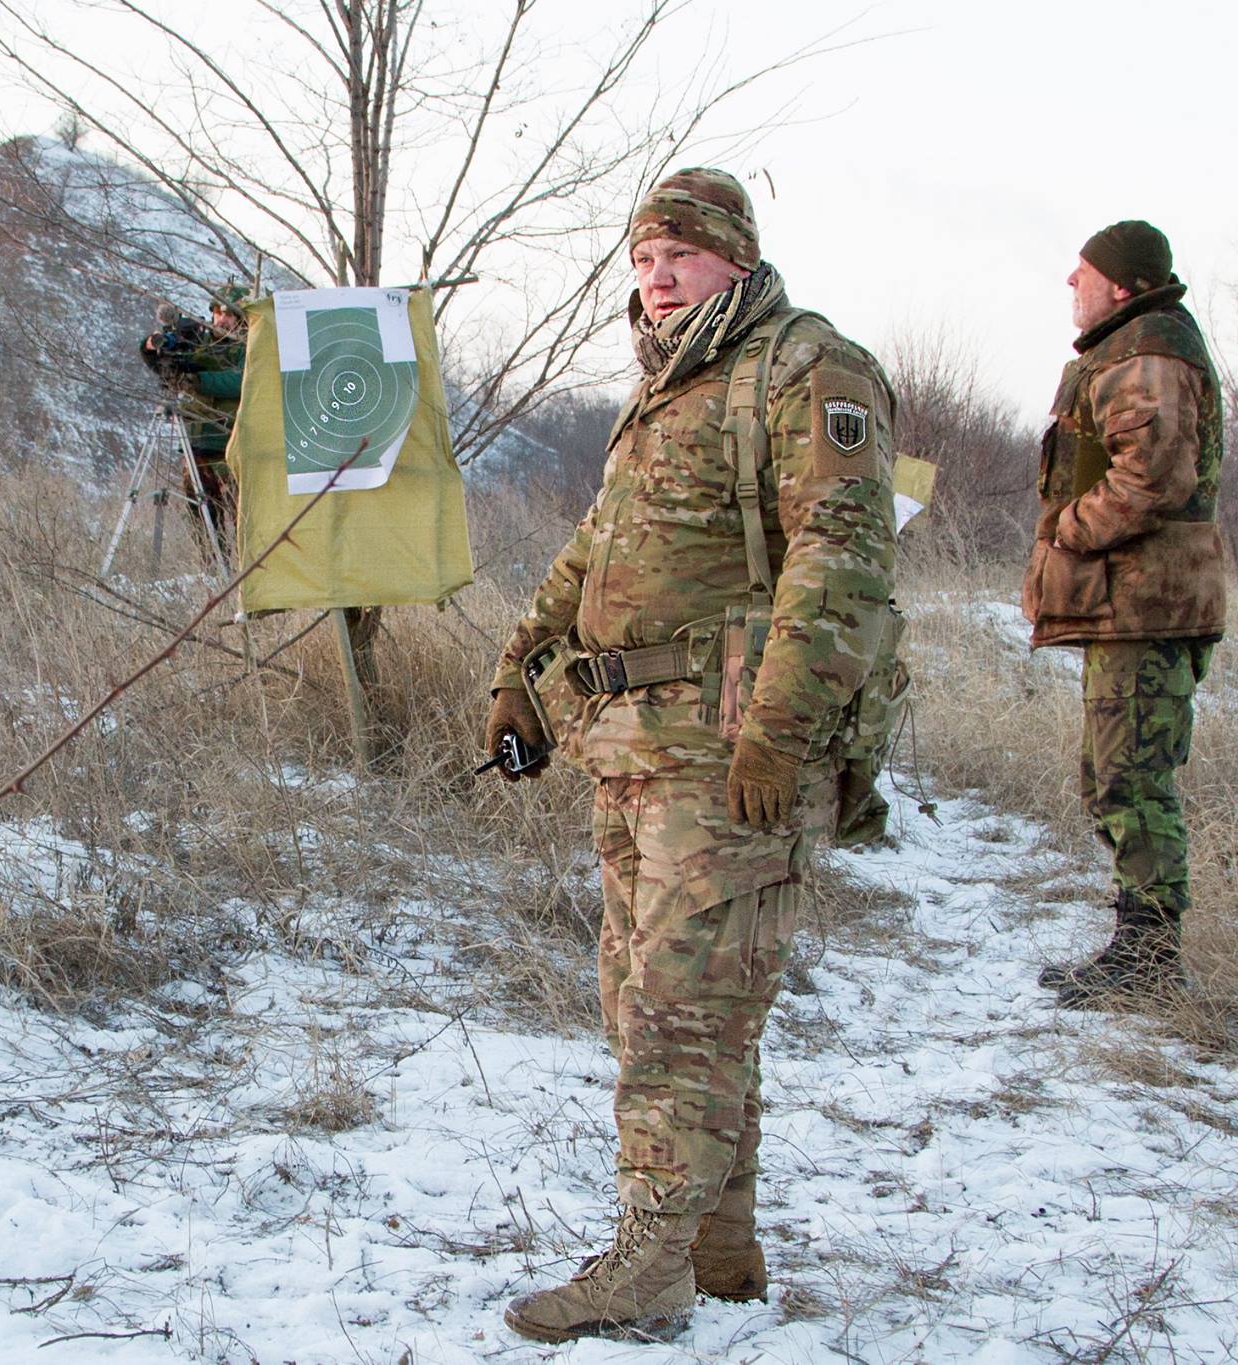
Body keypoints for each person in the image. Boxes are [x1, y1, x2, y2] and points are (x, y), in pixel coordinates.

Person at [483, 168, 897, 1342]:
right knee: (660, 1007)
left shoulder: (803, 368)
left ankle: (649, 1268)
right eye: (640, 257)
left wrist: (778, 728)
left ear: (733, 256)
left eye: (677, 253)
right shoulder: (669, 386)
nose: (653, 277)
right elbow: (593, 552)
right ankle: (716, 1254)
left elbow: (842, 560)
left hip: (724, 758)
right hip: (629, 748)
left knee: (678, 1016)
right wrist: (519, 665)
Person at [1023, 221, 1225, 1009]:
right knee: (1117, 775)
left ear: (1124, 283)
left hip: (1147, 603)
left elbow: (1152, 478)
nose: (1071, 285)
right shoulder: (1134, 345)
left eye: (1084, 273)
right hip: (1134, 604)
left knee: (1132, 781)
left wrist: (1067, 532)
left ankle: (1148, 963)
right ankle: (1139, 949)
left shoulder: (1147, 354)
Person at [138, 286, 248, 557]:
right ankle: (212, 570)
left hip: (232, 445)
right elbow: (163, 361)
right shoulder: (198, 340)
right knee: (202, 515)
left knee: (242, 519)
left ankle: (243, 577)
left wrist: (198, 381)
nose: (221, 319)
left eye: (229, 315)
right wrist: (152, 347)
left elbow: (243, 381)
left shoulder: (249, 347)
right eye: (217, 312)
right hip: (196, 443)